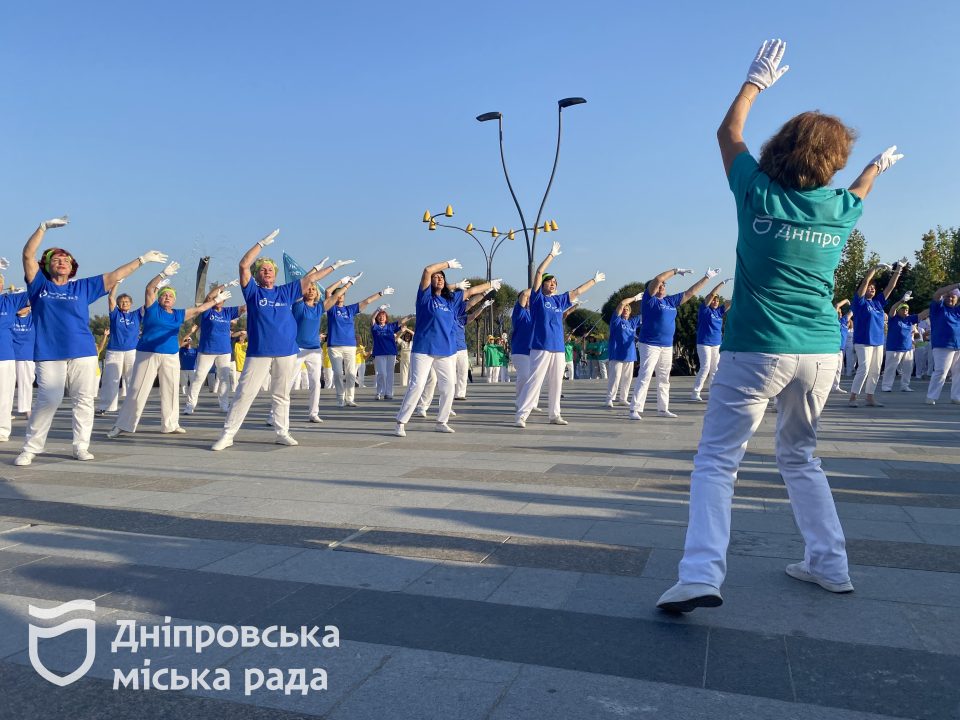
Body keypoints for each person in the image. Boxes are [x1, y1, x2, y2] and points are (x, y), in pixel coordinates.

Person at [657, 39, 902, 613]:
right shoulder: (841, 209)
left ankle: (700, 575)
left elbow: (729, 135)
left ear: (783, 149)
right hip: (820, 352)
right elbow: (862, 188)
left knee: (718, 460)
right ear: (834, 162)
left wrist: (753, 84)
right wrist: (874, 167)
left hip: (757, 348)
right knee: (800, 457)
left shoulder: (758, 193)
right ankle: (830, 564)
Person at [15, 217, 169, 466]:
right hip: (48, 352)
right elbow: (27, 254)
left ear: (72, 265)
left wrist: (142, 260)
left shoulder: (83, 287)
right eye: (55, 259)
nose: (61, 262)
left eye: (65, 259)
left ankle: (80, 446)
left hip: (83, 351)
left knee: (84, 399)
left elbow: (117, 274)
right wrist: (42, 228)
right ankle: (31, 448)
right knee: (49, 399)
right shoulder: (38, 286)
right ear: (47, 266)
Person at [211, 231, 343, 451]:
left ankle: (282, 432)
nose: (267, 272)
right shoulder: (252, 292)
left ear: (275, 274)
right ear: (258, 275)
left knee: (282, 394)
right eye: (263, 269)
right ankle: (228, 434)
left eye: (270, 269)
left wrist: (334, 268)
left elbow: (311, 279)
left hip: (287, 351)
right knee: (245, 393)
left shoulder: (286, 291)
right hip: (259, 352)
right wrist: (261, 244)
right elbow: (244, 265)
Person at [107, 269, 227, 438]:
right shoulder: (152, 308)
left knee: (171, 390)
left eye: (170, 295)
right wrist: (163, 274)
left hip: (170, 355)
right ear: (159, 297)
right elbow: (149, 288)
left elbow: (199, 310)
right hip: (147, 354)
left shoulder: (179, 314)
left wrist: (216, 300)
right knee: (137, 389)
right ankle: (123, 424)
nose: (167, 297)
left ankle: (170, 424)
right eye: (164, 295)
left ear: (174, 299)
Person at [394, 259, 498, 436]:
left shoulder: (451, 301)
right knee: (417, 385)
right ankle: (401, 422)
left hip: (446, 350)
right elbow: (427, 270)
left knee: (449, 386)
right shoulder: (425, 297)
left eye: (441, 277)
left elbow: (471, 293)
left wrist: (490, 285)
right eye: (436, 277)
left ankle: (442, 421)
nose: (438, 278)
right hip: (423, 349)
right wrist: (447, 264)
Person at [514, 242, 604, 428]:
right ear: (543, 285)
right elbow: (539, 272)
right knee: (535, 380)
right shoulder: (538, 299)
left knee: (557, 382)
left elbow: (577, 291)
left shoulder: (559, 300)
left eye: (555, 282)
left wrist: (593, 281)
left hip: (558, 347)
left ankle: (554, 414)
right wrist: (551, 255)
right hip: (540, 346)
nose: (553, 284)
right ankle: (521, 415)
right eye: (550, 281)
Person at [629, 267, 717, 419]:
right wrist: (675, 271)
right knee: (646, 375)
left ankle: (663, 409)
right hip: (650, 344)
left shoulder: (670, 301)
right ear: (652, 288)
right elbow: (657, 279)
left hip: (667, 345)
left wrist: (707, 277)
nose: (662, 286)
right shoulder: (649, 300)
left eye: (664, 285)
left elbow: (690, 293)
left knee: (664, 377)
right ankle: (635, 409)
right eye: (660, 285)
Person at [323, 273, 393, 408]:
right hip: (334, 347)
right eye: (338, 295)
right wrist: (341, 281)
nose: (340, 297)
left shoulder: (350, 309)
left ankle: (349, 398)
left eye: (342, 295)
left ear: (344, 296)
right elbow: (327, 291)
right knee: (337, 373)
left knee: (350, 374)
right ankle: (340, 398)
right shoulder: (331, 309)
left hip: (350, 346)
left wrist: (382, 293)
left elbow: (366, 301)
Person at [848, 260, 904, 407]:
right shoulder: (859, 302)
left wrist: (898, 269)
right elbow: (866, 280)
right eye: (869, 288)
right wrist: (875, 268)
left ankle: (870, 397)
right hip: (863, 340)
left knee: (876, 370)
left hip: (878, 341)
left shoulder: (878, 303)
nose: (872, 289)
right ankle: (853, 397)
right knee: (864, 368)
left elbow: (890, 287)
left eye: (873, 288)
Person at [184, 282, 245, 414]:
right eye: (217, 297)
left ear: (224, 300)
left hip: (224, 351)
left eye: (222, 298)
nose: (219, 300)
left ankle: (224, 405)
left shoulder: (228, 312)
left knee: (224, 378)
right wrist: (225, 285)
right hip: (207, 350)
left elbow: (244, 308)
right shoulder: (207, 310)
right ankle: (190, 405)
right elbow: (208, 297)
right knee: (199, 377)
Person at [97, 282, 142, 415]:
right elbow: (110, 298)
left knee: (132, 379)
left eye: (127, 301)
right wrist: (116, 283)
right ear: (118, 304)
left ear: (131, 303)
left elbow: (150, 301)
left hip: (132, 351)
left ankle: (132, 407)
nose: (124, 303)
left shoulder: (137, 314)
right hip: (114, 351)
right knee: (110, 379)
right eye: (121, 302)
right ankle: (106, 406)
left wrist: (157, 287)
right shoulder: (115, 314)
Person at [288, 282, 327, 423]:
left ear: (317, 293)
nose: (311, 291)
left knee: (316, 382)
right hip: (297, 348)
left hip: (315, 349)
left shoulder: (319, 308)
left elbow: (333, 297)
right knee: (289, 381)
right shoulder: (298, 306)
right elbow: (300, 285)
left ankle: (313, 413)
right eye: (308, 289)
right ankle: (274, 414)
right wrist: (311, 276)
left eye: (313, 289)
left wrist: (347, 283)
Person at [691, 279, 732, 401]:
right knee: (705, 367)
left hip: (716, 344)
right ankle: (695, 392)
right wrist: (722, 284)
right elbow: (711, 294)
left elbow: (732, 301)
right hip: (704, 343)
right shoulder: (705, 310)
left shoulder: (720, 311)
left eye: (717, 300)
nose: (715, 301)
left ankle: (713, 392)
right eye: (714, 299)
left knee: (715, 369)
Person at [0, 274, 29, 442]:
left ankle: (2, 430)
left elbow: (35, 291)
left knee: (4, 395)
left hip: (4, 355)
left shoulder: (10, 301)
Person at [881, 292, 926, 393]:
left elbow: (922, 314)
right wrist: (902, 300)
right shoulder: (893, 318)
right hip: (894, 348)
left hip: (908, 348)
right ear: (898, 310)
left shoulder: (910, 319)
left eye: (907, 309)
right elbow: (892, 308)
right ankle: (886, 386)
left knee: (908, 369)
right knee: (890, 368)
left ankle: (905, 385)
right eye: (903, 308)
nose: (905, 310)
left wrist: (936, 304)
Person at [924, 284, 960, 405]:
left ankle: (956, 396)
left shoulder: (957, 310)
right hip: (942, 345)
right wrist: (957, 285)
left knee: (958, 372)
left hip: (958, 345)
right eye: (948, 296)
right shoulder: (938, 308)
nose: (950, 299)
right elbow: (938, 293)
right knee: (941, 371)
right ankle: (931, 396)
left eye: (953, 297)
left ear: (957, 299)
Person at [606, 294, 642, 407]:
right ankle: (610, 398)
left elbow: (646, 315)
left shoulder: (632, 323)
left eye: (627, 309)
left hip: (630, 355)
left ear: (630, 312)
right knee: (615, 377)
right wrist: (635, 298)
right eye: (624, 309)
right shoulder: (616, 320)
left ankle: (623, 398)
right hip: (616, 354)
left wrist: (650, 297)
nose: (625, 310)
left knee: (627, 378)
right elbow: (622, 303)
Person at [370, 306, 409, 400]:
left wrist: (411, 316)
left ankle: (388, 393)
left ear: (386, 318)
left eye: (383, 316)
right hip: (379, 353)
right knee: (381, 373)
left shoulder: (391, 327)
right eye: (379, 316)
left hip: (391, 352)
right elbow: (372, 318)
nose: (381, 317)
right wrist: (378, 309)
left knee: (390, 374)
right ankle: (379, 392)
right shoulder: (375, 327)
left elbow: (401, 321)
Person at [12, 305, 36, 418]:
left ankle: (26, 408)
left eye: (23, 305)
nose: (20, 308)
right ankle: (5, 410)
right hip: (10, 355)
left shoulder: (35, 317)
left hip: (27, 355)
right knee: (6, 384)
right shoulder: (11, 316)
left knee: (26, 382)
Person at [833, 300, 853, 392]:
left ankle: (836, 386)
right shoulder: (833, 321)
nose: (839, 313)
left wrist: (855, 304)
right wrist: (846, 300)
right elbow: (837, 305)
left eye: (840, 312)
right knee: (831, 368)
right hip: (832, 349)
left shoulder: (844, 321)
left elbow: (852, 312)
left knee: (838, 369)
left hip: (840, 349)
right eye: (838, 312)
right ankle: (827, 386)